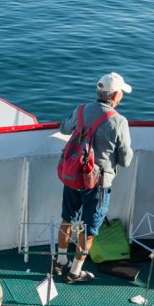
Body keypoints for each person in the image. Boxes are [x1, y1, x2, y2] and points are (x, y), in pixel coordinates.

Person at [55, 72, 134, 284]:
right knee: (88, 229)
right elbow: (125, 160)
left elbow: (64, 127)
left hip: (73, 176)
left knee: (67, 218)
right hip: (97, 184)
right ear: (115, 96)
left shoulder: (81, 110)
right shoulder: (119, 121)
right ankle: (75, 272)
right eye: (121, 94)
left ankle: (60, 261)